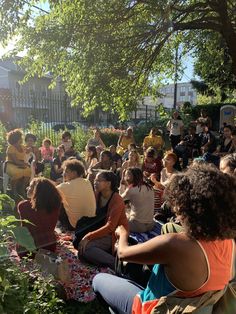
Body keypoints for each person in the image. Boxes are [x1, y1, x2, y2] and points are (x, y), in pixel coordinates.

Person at [93, 163, 236, 314]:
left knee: (99, 280)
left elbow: (123, 253)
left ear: (189, 207)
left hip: (151, 308)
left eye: (178, 203)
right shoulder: (229, 241)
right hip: (196, 304)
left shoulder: (175, 244)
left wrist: (122, 234)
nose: (174, 208)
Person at [78, 171, 129, 270]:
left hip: (114, 234)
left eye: (98, 180)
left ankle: (116, 264)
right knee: (79, 244)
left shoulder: (117, 200)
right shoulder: (97, 195)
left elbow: (110, 227)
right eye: (95, 180)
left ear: (108, 183)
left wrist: (88, 236)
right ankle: (100, 256)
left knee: (86, 248)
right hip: (101, 229)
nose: (95, 182)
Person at [17, 177, 62, 254]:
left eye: (30, 186)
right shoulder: (55, 205)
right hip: (49, 248)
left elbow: (23, 229)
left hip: (27, 251)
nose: (27, 187)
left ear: (36, 191)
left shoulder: (23, 206)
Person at [57, 159, 96, 230]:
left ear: (74, 173)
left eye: (66, 171)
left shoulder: (65, 186)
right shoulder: (87, 182)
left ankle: (63, 228)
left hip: (75, 226)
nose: (63, 174)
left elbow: (50, 191)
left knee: (57, 201)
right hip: (91, 223)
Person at [120, 167, 154, 233]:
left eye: (126, 175)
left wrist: (122, 182)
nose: (125, 177)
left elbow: (119, 199)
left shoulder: (131, 190)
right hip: (150, 225)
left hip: (137, 225)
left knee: (118, 218)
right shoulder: (149, 187)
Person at [5, 129, 31, 197]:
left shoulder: (22, 146)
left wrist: (29, 150)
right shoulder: (10, 147)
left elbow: (27, 151)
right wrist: (25, 164)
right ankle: (13, 190)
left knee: (28, 171)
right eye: (20, 137)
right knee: (17, 173)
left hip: (20, 164)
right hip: (10, 164)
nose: (22, 138)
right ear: (16, 138)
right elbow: (15, 161)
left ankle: (22, 189)